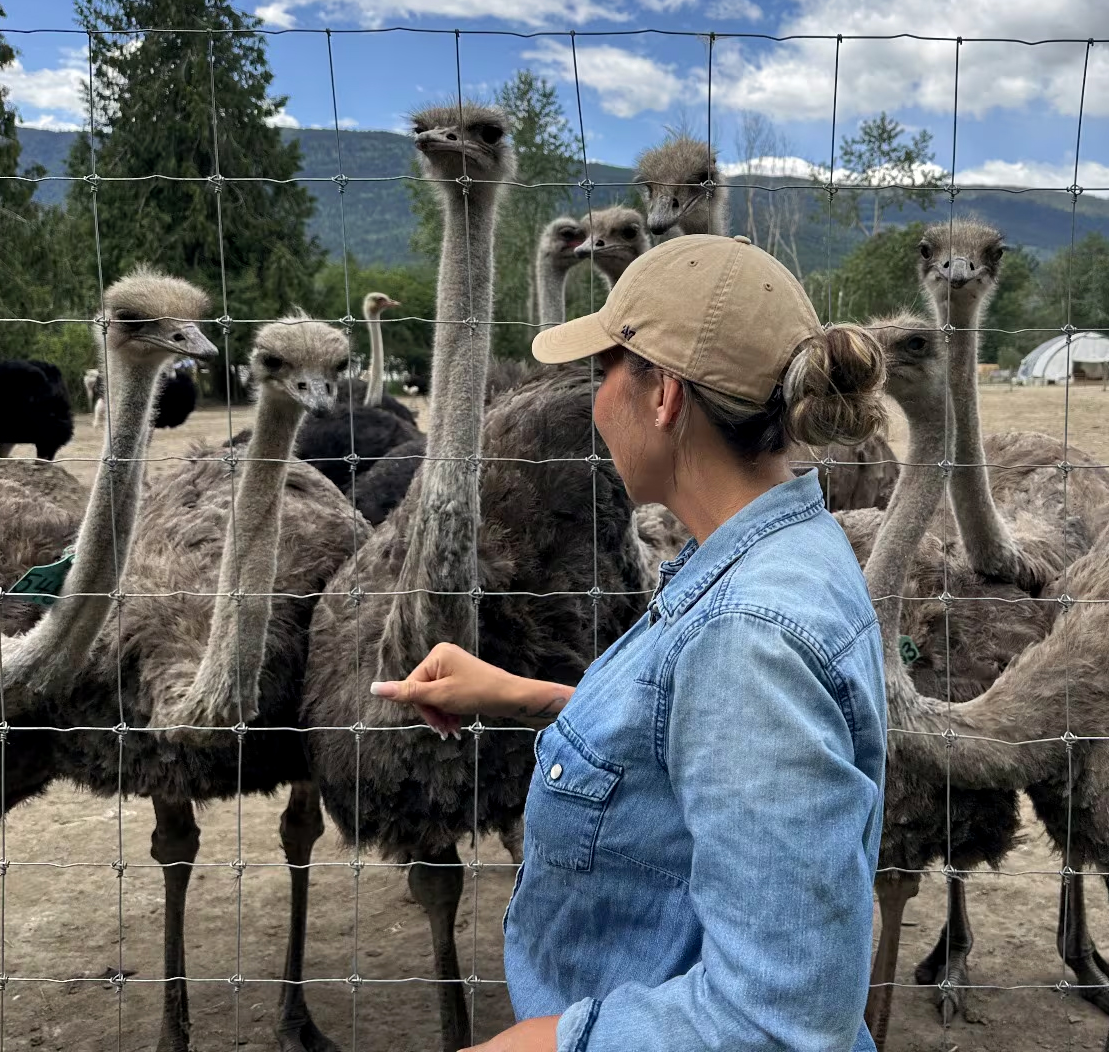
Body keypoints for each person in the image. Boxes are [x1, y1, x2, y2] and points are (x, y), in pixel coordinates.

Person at [371, 233, 890, 1052]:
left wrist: (538, 1045)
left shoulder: (749, 636)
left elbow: (779, 1023)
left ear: (664, 398)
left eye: (606, 370)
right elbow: (707, 752)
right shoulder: (771, 554)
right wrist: (525, 696)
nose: (593, 399)